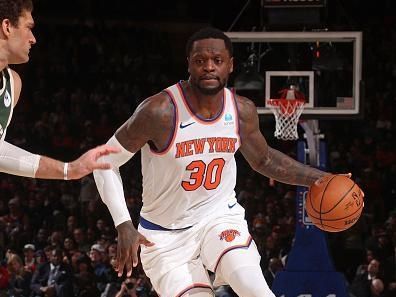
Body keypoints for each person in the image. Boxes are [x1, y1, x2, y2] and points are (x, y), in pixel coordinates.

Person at [93, 27, 350, 296]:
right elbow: (104, 162)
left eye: (217, 60)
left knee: (255, 288)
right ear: (189, 64)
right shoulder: (159, 112)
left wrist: (319, 178)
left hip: (219, 217)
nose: (209, 67)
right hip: (164, 236)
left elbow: (263, 159)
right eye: (200, 61)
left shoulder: (241, 110)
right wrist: (123, 223)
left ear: (230, 65)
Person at [0, 0, 119, 181]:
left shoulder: (13, 83)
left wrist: (69, 170)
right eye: (28, 27)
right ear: (7, 26)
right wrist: (67, 170)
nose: (33, 38)